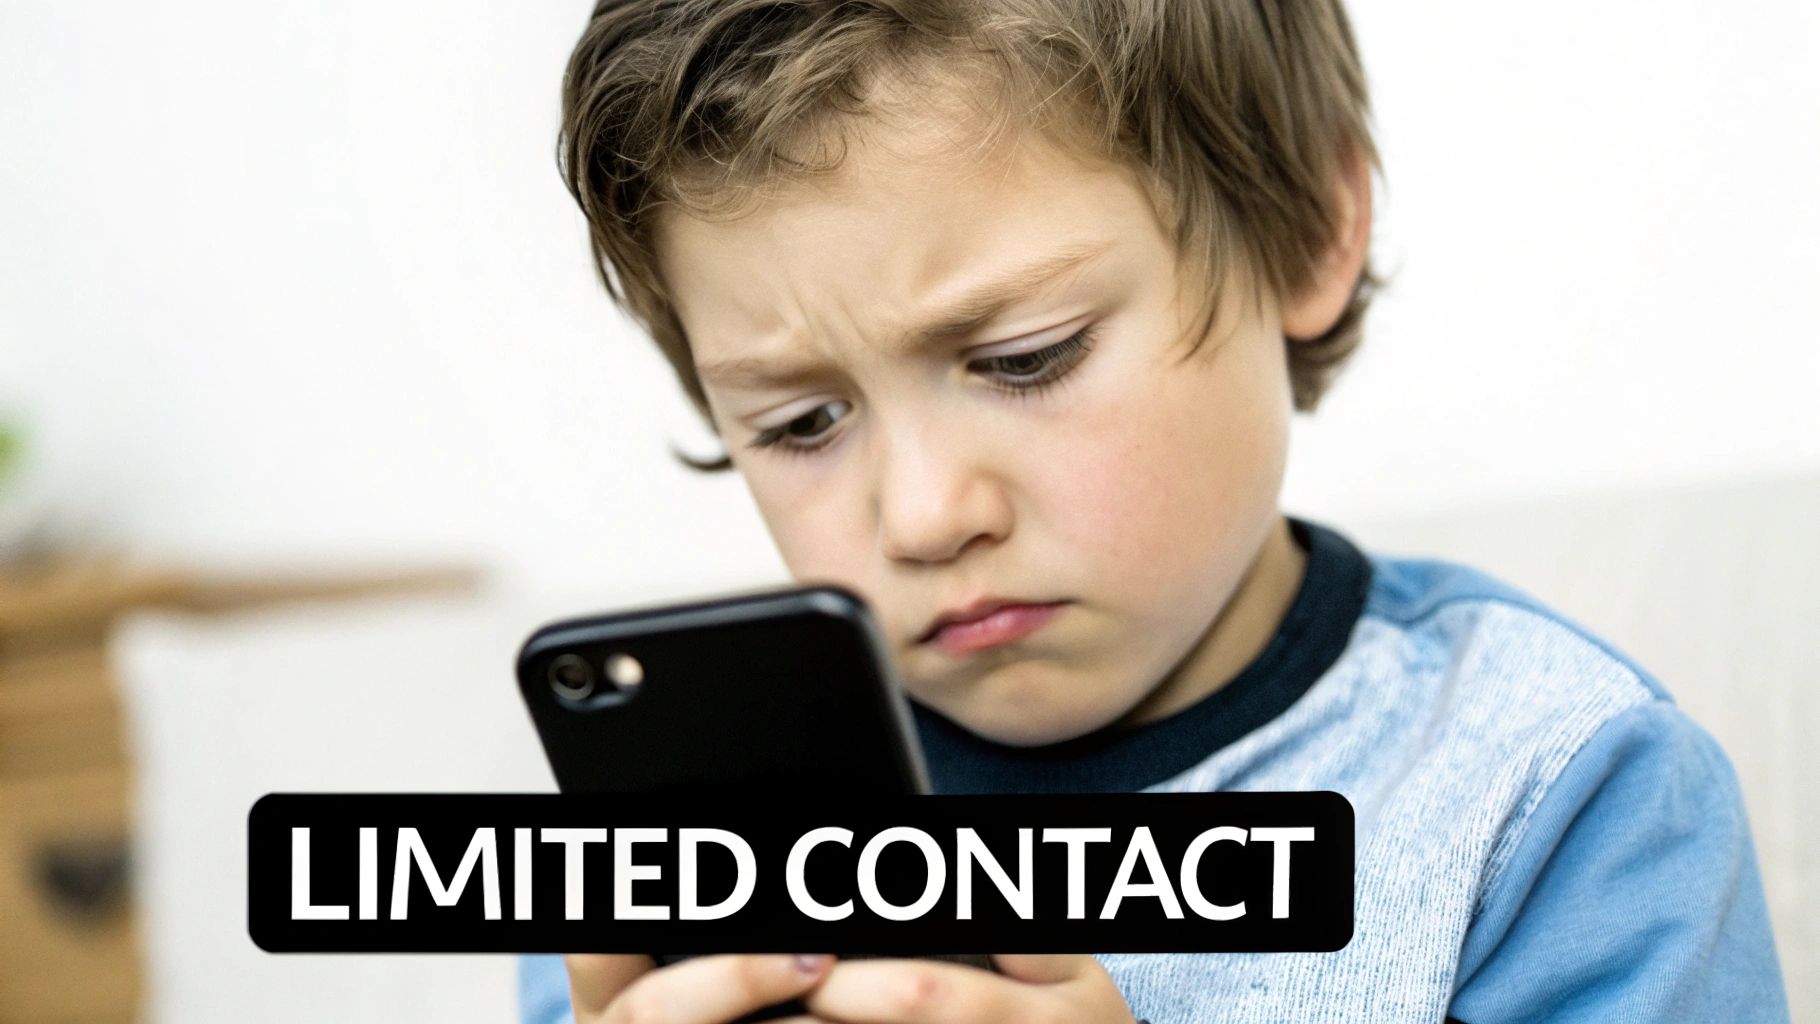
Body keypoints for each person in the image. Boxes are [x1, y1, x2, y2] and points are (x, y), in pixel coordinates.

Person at [521, 0, 1790, 1020]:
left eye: (1025, 357)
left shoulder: (1559, 794)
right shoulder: (669, 844)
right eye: (801, 423)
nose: (922, 516)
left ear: (1306, 235)